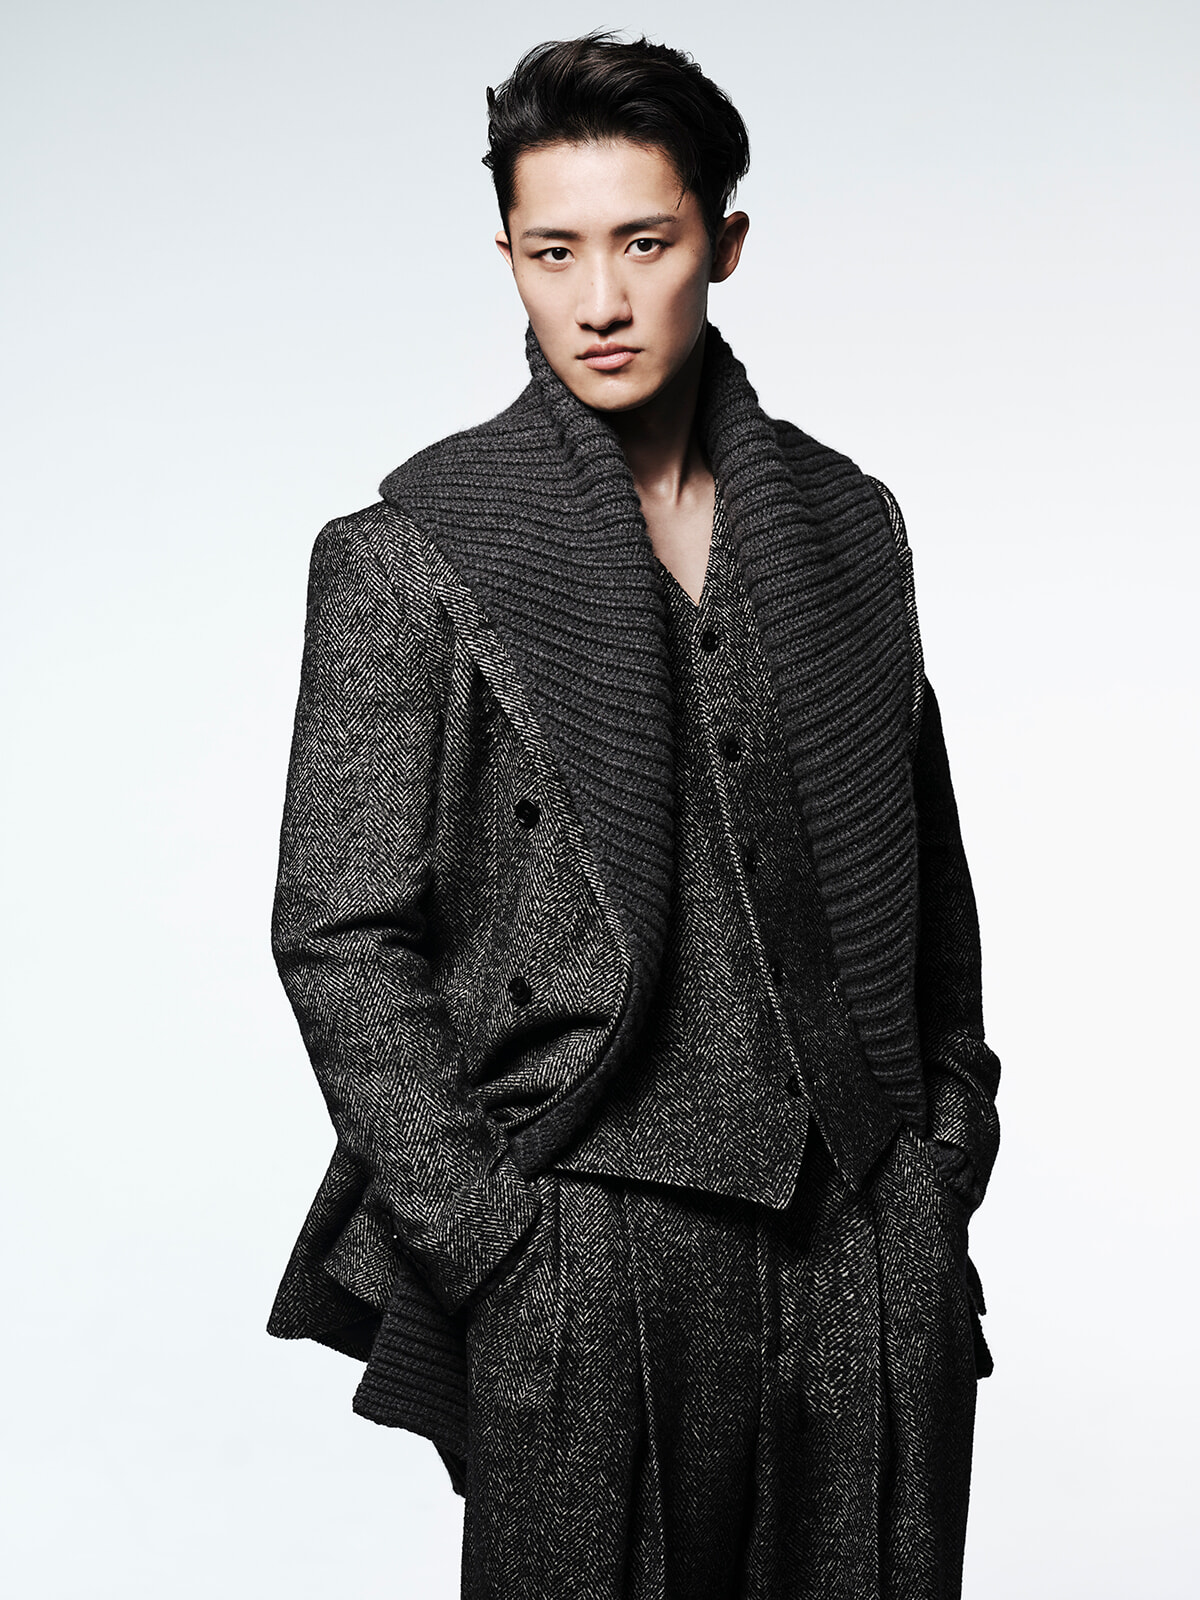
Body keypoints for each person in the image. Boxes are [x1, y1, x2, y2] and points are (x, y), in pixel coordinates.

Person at [266, 30, 1002, 1600]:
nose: (599, 298)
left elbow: (926, 887)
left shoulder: (847, 526)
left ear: (723, 245)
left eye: (644, 244)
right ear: (509, 259)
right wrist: (496, 1248)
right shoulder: (410, 554)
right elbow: (337, 934)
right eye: (555, 251)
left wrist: (942, 1161)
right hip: (587, 1247)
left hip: (862, 1240)